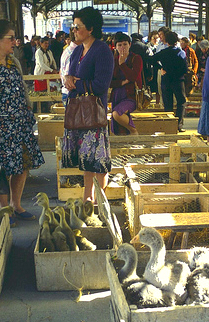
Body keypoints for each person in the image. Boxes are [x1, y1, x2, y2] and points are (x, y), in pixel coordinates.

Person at [0, 20, 43, 221]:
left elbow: (21, 89)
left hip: (19, 124)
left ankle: (16, 204)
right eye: (10, 38)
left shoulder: (14, 62)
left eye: (15, 38)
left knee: (22, 165)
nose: (15, 42)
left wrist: (28, 109)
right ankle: (5, 209)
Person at [61, 7, 114, 204]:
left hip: (93, 111)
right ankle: (87, 199)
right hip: (78, 111)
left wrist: (77, 83)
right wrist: (68, 78)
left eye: (77, 27)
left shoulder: (102, 51)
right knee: (86, 160)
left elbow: (102, 83)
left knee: (97, 160)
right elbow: (71, 75)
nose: (74, 30)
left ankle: (101, 201)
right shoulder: (77, 51)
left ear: (90, 28)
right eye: (73, 27)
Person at [149, 31, 188, 132]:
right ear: (177, 41)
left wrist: (161, 68)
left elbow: (151, 60)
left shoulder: (164, 52)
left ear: (166, 41)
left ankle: (169, 125)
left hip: (166, 79)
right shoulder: (181, 53)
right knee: (181, 102)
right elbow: (185, 69)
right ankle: (178, 125)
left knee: (167, 103)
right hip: (178, 80)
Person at [109, 32, 142, 135]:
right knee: (117, 125)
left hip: (131, 96)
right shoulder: (113, 60)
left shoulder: (136, 58)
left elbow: (133, 77)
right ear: (115, 47)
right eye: (119, 45)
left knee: (117, 114)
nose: (122, 47)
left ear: (130, 45)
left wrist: (122, 64)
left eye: (125, 44)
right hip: (117, 95)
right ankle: (125, 144)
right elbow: (109, 82)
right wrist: (122, 82)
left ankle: (133, 131)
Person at [60, 31, 81, 106]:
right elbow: (68, 76)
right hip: (71, 94)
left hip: (66, 92)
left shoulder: (67, 50)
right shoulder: (74, 52)